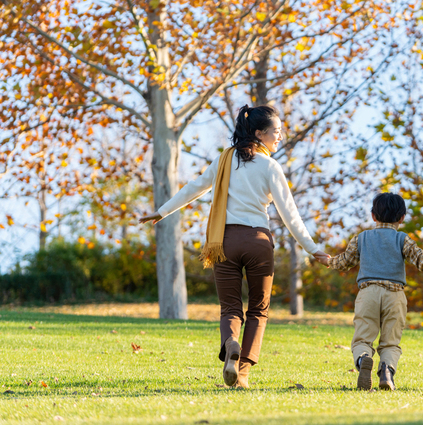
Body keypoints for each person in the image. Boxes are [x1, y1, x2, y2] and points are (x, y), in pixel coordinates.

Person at [140, 105, 330, 389]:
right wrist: (312, 248)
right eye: (275, 132)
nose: (280, 137)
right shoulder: (270, 167)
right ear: (258, 134)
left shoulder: (224, 160)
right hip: (258, 242)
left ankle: (231, 343)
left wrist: (163, 211)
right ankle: (241, 374)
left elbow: (195, 187)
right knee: (258, 310)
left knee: (230, 308)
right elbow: (290, 214)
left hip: (223, 242)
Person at [325, 192, 423, 391]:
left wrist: (328, 261)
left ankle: (364, 359)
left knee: (363, 338)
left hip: (368, 293)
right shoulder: (402, 239)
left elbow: (345, 262)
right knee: (391, 341)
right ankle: (387, 371)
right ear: (402, 218)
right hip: (395, 295)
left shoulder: (361, 238)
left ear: (373, 216)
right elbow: (419, 256)